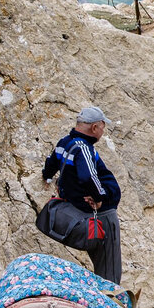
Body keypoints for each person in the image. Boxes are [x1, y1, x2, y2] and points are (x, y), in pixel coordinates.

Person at [41, 106, 123, 283]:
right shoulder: (84, 148)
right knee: (110, 269)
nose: (103, 131)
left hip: (78, 210)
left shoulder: (65, 142)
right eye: (102, 127)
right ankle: (111, 303)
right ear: (94, 127)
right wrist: (100, 198)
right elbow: (89, 177)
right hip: (103, 215)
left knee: (103, 264)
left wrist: (47, 177)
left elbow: (51, 163)